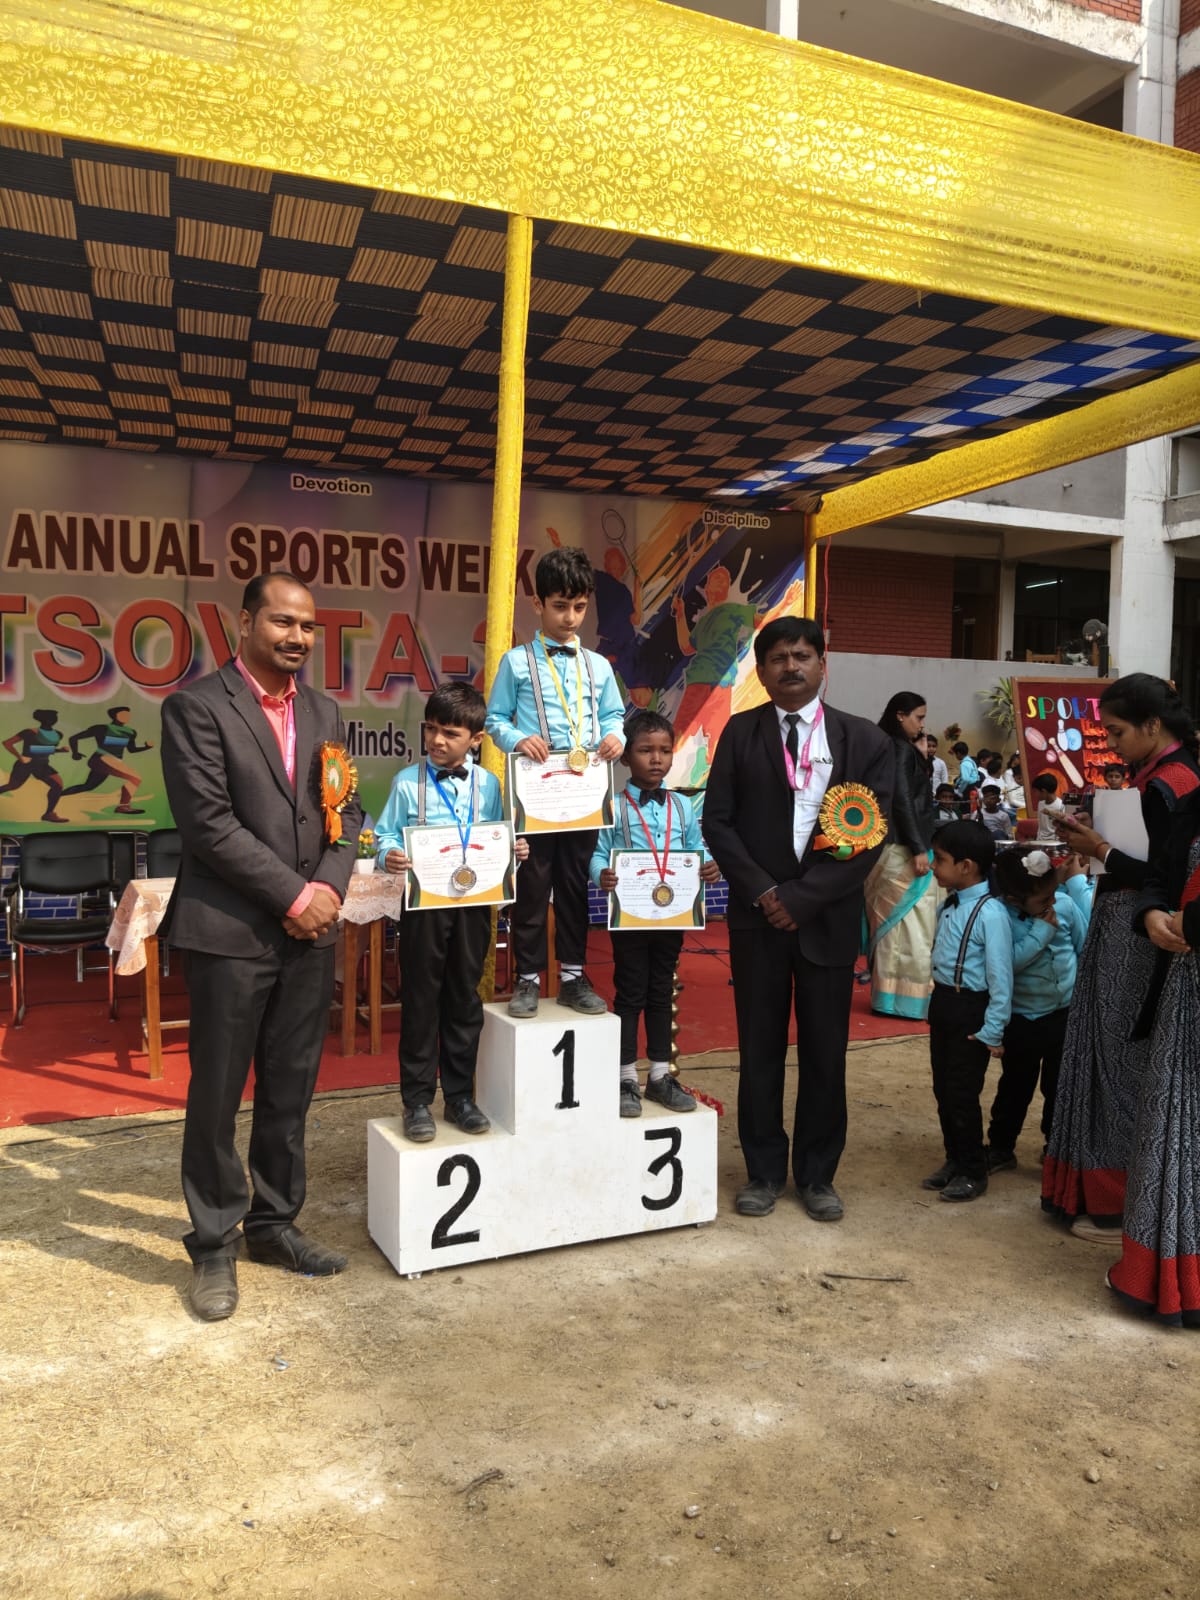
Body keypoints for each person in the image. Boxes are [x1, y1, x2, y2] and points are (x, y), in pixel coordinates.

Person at [160, 572, 361, 1322]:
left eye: (307, 626)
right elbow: (209, 825)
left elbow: (346, 811)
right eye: (282, 622)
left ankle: (274, 1224)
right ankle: (214, 1241)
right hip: (230, 934)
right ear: (244, 623)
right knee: (217, 1093)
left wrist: (329, 887)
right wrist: (296, 897)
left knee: (290, 1085)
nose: (297, 637)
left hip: (309, 935)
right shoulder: (196, 708)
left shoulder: (324, 711)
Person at [702, 616, 894, 1222]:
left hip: (827, 922)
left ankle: (817, 1176)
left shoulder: (864, 740)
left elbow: (871, 836)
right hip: (757, 921)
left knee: (825, 1055)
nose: (791, 666)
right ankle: (762, 1172)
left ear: (822, 664)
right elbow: (717, 822)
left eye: (802, 655)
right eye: (779, 658)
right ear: (762, 672)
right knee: (759, 1050)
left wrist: (805, 897)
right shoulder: (740, 733)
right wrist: (765, 892)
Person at [1047, 674, 1200, 1241]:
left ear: (1152, 725)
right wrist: (1100, 841)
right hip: (1124, 930)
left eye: (1116, 732)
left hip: (1143, 939)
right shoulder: (1155, 776)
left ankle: (1118, 1201)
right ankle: (1100, 1190)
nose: (1110, 744)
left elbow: (1167, 875)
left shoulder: (1174, 783)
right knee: (1108, 1052)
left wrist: (1102, 849)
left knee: (1122, 1060)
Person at [375, 683, 528, 1142]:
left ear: (476, 739)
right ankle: (417, 1101)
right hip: (424, 908)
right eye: (431, 729)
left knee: (464, 998)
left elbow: (497, 835)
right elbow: (385, 835)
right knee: (421, 1001)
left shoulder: (489, 785)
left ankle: (460, 1096)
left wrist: (514, 850)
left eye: (450, 733)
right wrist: (389, 855)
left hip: (473, 907)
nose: (437, 740)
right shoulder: (407, 782)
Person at [486, 545, 625, 1018]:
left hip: (584, 791)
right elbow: (495, 720)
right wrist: (518, 738)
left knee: (573, 885)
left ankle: (571, 976)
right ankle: (527, 978)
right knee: (532, 883)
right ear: (538, 604)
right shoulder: (516, 662)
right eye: (560, 606)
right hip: (537, 792)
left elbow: (613, 715)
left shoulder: (599, 666)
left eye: (579, 607)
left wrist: (615, 736)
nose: (570, 618)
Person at [590, 709, 720, 1116]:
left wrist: (708, 865)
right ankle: (626, 1077)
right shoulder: (613, 806)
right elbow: (597, 854)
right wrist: (601, 874)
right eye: (646, 750)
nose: (657, 759)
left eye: (664, 750)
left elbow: (696, 848)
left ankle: (661, 1076)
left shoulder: (682, 806)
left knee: (662, 990)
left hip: (672, 915)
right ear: (626, 757)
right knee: (630, 992)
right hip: (630, 916)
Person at [1109, 769, 1200, 1324]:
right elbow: (1163, 872)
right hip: (1187, 984)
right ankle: (1169, 1274)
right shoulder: (1192, 801)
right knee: (1176, 1125)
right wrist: (1151, 912)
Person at [923, 820, 1013, 1202]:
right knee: (943, 1089)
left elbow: (1001, 977)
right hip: (944, 1004)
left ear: (966, 866)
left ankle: (974, 1169)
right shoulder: (948, 905)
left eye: (939, 859)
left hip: (971, 1010)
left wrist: (993, 1028)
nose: (932, 866)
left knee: (962, 1092)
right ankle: (954, 1158)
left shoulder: (991, 914)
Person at [985, 847, 1089, 1175]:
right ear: (1014, 900)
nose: (1052, 903)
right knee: (1015, 1086)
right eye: (1043, 900)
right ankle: (1001, 1147)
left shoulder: (1065, 905)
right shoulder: (1000, 917)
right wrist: (1041, 933)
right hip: (1022, 1019)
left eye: (1053, 893)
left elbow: (1083, 946)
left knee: (1059, 1087)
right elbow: (1004, 965)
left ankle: (1054, 1149)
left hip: (1063, 1015)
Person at [864, 691, 936, 1020]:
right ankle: (904, 1001)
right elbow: (902, 799)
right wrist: (918, 847)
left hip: (894, 844)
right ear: (900, 715)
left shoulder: (892, 746)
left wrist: (921, 756)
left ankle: (890, 997)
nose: (922, 725)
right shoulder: (898, 749)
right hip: (902, 848)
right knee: (911, 925)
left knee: (901, 926)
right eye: (918, 717)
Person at [62, 706, 153, 815]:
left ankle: (56, 795)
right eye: (123, 714)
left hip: (114, 762)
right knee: (135, 778)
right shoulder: (102, 728)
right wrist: (75, 753)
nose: (126, 717)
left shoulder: (131, 732)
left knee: (88, 786)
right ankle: (123, 806)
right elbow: (73, 738)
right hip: (101, 759)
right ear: (114, 716)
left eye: (128, 715)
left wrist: (146, 747)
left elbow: (131, 750)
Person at [0, 709, 68, 822]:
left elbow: (44, 749)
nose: (52, 720)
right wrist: (20, 757)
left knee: (58, 785)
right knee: (13, 786)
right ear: (41, 719)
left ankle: (49, 814)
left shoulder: (58, 734)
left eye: (54, 717)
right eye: (50, 717)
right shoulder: (29, 732)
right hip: (25, 764)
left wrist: (60, 750)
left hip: (42, 765)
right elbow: (7, 743)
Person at [1031, 772, 1065, 840]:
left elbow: (1062, 828)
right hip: (1040, 841)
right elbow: (1040, 827)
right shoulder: (1040, 803)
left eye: (1035, 791)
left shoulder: (1061, 805)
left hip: (1055, 841)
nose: (1035, 794)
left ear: (1043, 791)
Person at [1000, 753, 1026, 818]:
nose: (1016, 767)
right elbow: (1012, 800)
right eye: (1015, 764)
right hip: (1013, 808)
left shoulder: (1023, 773)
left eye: (1019, 765)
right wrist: (1026, 806)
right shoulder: (1009, 773)